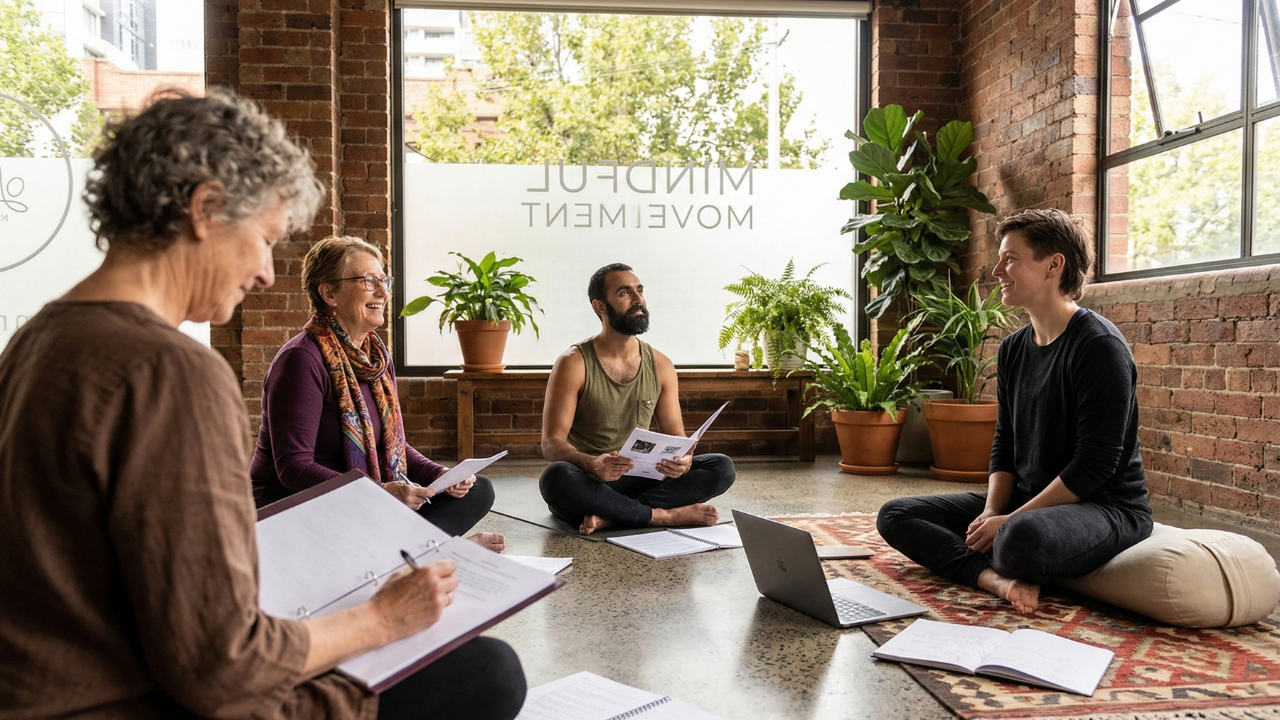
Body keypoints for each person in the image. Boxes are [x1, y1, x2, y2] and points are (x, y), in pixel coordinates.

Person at [0, 89, 525, 720]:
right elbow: (223, 666)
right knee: (487, 671)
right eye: (264, 239)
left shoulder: (34, 340)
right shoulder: (172, 370)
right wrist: (382, 617)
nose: (269, 274)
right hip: (131, 697)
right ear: (207, 209)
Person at [876, 208, 1153, 614]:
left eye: (1010, 258)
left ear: (1053, 265)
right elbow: (1005, 441)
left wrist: (1008, 522)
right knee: (895, 515)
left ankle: (1002, 554)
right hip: (1028, 500)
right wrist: (992, 511)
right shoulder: (1014, 348)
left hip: (1105, 507)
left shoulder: (1099, 347)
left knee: (1017, 540)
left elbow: (1095, 465)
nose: (996, 270)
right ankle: (994, 580)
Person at [250, 235, 503, 549]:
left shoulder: (375, 357)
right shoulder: (302, 359)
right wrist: (380, 492)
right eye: (368, 281)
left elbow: (392, 445)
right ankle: (442, 550)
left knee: (479, 490)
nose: (383, 292)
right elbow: (293, 469)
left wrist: (442, 475)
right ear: (329, 292)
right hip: (303, 510)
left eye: (384, 280)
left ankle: (413, 551)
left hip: (363, 502)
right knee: (373, 527)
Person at [539, 263, 736, 535]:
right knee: (555, 478)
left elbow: (679, 441)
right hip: (594, 481)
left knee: (721, 467)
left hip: (643, 478)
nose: (638, 299)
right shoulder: (573, 363)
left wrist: (683, 462)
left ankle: (615, 516)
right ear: (600, 306)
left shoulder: (661, 364)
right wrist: (593, 464)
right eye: (624, 293)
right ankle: (663, 516)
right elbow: (551, 443)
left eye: (639, 291)